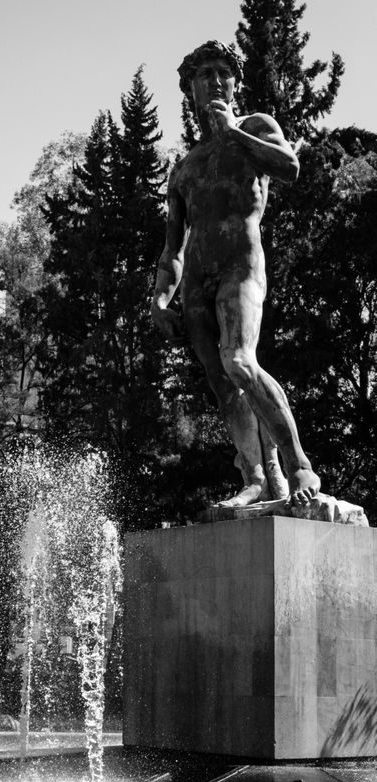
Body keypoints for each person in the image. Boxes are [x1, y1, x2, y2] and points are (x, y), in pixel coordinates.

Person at [151, 40, 320, 508]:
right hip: (197, 282)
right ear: (191, 92)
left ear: (235, 82)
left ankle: (299, 462)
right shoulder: (184, 168)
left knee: (239, 361)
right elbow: (173, 247)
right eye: (203, 75)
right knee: (223, 385)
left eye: (222, 72)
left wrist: (232, 135)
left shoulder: (256, 127)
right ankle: (256, 478)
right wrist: (160, 297)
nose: (214, 81)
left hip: (241, 266)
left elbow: (290, 167)